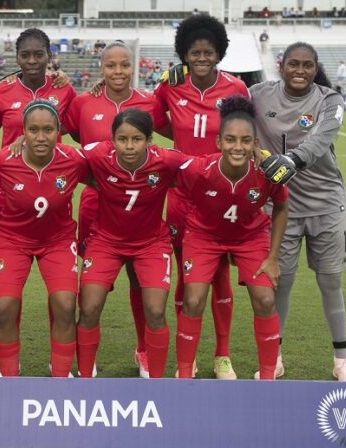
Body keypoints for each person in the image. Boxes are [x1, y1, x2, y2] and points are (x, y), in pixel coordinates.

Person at [64, 40, 171, 378]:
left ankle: (144, 351)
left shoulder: (149, 102)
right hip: (96, 205)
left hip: (141, 206)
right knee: (92, 290)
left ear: (133, 66)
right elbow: (68, 139)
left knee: (142, 283)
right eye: (111, 65)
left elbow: (171, 136)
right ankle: (86, 360)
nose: (118, 71)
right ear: (101, 68)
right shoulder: (83, 102)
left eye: (124, 64)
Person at [154, 14, 250, 379]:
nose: (202, 58)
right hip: (182, 194)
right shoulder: (171, 86)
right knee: (187, 273)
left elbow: (245, 134)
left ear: (219, 53)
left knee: (220, 275)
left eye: (209, 52)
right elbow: (153, 120)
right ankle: (188, 355)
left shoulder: (235, 88)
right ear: (184, 53)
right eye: (195, 52)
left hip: (222, 196)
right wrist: (181, 141)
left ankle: (222, 355)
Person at [250, 42, 346, 381]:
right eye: (293, 63)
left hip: (326, 204)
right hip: (281, 208)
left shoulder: (329, 99)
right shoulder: (259, 94)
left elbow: (321, 138)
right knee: (281, 283)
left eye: (307, 65)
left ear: (316, 68)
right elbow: (224, 104)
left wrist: (290, 161)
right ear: (282, 65)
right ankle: (274, 358)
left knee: (330, 281)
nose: (300, 70)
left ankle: (341, 360)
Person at [175, 95, 289, 380]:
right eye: (230, 140)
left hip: (250, 237)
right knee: (193, 300)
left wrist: (273, 257)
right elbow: (166, 175)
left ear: (255, 144)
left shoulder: (267, 172)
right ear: (218, 142)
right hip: (204, 236)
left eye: (245, 141)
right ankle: (185, 375)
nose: (238, 147)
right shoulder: (199, 169)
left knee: (265, 299)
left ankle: (268, 378)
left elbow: (282, 207)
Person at [77, 108, 192, 379]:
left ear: (150, 140)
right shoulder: (97, 155)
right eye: (122, 139)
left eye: (137, 139)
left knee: (155, 310)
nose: (129, 146)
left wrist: (257, 155)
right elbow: (60, 157)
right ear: (112, 139)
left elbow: (207, 165)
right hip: (106, 241)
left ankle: (156, 379)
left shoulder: (166, 160)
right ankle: (85, 375)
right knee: (89, 307)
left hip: (151, 243)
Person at [0, 99, 87, 377]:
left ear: (59, 131)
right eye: (33, 130)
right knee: (4, 307)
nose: (41, 137)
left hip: (58, 241)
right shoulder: (3, 161)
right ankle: (9, 374)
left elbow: (102, 172)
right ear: (23, 131)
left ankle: (61, 373)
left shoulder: (74, 159)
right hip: (11, 240)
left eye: (48, 130)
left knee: (65, 305)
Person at [0, 28, 76, 147]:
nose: (32, 61)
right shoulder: (0, 91)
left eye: (39, 55)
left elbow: (78, 131)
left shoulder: (64, 88)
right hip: (10, 160)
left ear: (49, 56)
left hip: (52, 160)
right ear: (17, 58)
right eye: (25, 55)